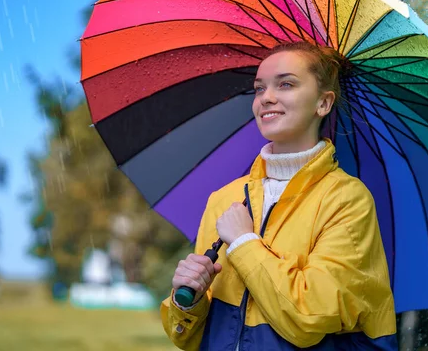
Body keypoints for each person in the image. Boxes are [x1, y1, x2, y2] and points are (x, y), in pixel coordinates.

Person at [161, 41, 397, 350]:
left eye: (286, 84)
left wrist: (245, 244)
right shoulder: (225, 199)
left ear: (323, 103)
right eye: (259, 89)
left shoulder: (346, 199)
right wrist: (188, 301)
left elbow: (308, 318)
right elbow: (190, 338)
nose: (266, 98)